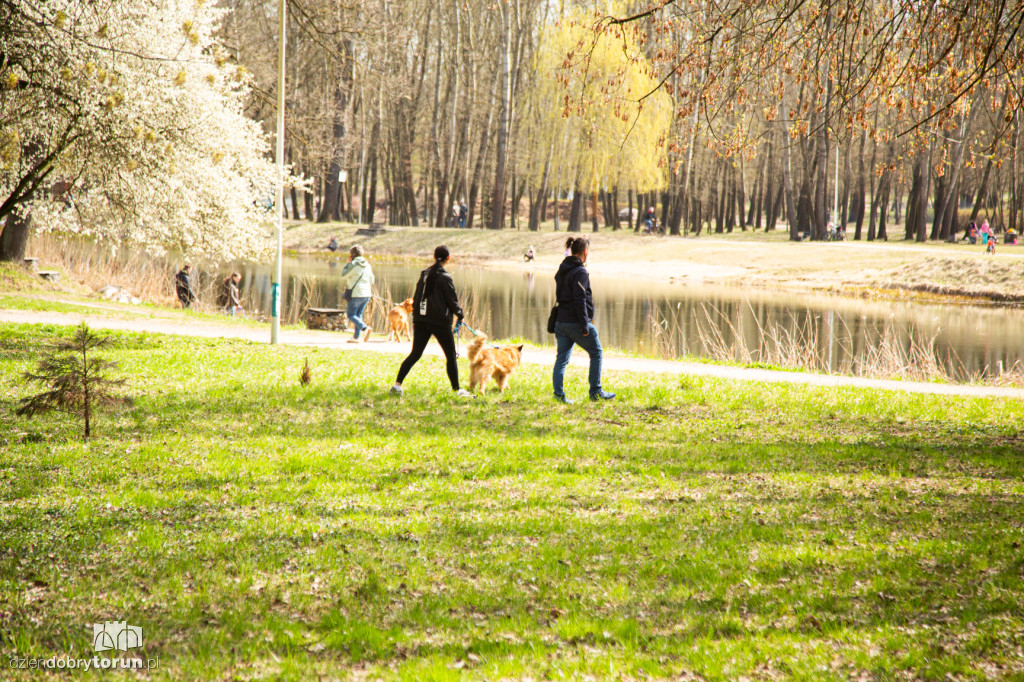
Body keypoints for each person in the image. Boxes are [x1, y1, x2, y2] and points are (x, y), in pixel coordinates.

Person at [391, 246, 472, 397]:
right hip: (440, 322)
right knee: (451, 356)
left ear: (434, 257)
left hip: (421, 321)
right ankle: (457, 390)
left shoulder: (424, 275)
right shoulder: (446, 277)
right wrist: (460, 314)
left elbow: (417, 298)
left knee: (415, 354)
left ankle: (397, 386)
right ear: (448, 258)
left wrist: (417, 317)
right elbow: (452, 301)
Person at [551, 237, 614, 404]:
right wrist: (585, 325)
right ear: (585, 252)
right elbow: (580, 300)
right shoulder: (580, 272)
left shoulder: (563, 269)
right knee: (596, 352)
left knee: (561, 359)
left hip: (561, 321)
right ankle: (595, 391)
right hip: (574, 322)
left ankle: (558, 395)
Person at [341, 245, 375, 342]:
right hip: (367, 294)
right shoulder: (367, 265)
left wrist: (347, 264)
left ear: (352, 255)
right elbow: (372, 280)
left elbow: (344, 275)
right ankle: (356, 337)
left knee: (351, 315)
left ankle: (364, 328)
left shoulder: (353, 265)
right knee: (358, 315)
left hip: (356, 293)